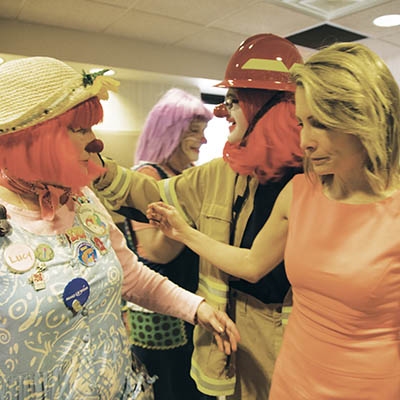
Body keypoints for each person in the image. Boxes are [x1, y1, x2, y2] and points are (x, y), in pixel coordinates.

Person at [146, 41, 400, 399]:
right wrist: (185, 233)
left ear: (365, 121)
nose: (306, 141)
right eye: (301, 122)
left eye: (321, 124)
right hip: (292, 379)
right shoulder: (300, 191)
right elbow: (251, 263)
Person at [0, 56, 240, 400]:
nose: (94, 143)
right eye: (81, 129)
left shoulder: (81, 198)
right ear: (35, 138)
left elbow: (131, 276)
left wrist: (196, 308)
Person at [93, 33, 304, 399]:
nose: (224, 110)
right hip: (222, 338)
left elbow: (257, 267)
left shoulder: (311, 180)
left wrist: (185, 233)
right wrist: (100, 170)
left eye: (234, 99)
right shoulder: (220, 172)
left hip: (285, 347)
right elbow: (153, 196)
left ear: (268, 106)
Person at [121, 88, 213, 400]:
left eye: (204, 131)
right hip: (160, 311)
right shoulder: (148, 174)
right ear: (170, 133)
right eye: (194, 131)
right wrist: (197, 205)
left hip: (187, 303)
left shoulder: (186, 174)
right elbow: (157, 251)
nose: (203, 140)